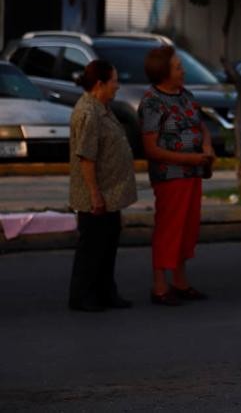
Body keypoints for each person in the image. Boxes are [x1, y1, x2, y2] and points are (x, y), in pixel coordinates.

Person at [138, 46, 215, 306]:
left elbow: (200, 126)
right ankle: (160, 285)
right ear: (164, 72)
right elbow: (151, 148)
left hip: (193, 172)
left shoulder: (186, 96)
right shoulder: (152, 102)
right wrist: (188, 158)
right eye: (178, 67)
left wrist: (206, 147)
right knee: (169, 228)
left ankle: (181, 281)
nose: (182, 71)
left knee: (187, 228)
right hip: (170, 176)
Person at [68, 61, 138, 312]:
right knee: (92, 248)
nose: (117, 86)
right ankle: (83, 296)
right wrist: (95, 195)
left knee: (107, 246)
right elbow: (86, 157)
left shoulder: (102, 108)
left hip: (111, 193)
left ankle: (106, 292)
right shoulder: (88, 113)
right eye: (114, 81)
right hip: (96, 196)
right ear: (100, 84)